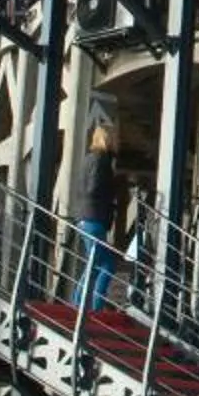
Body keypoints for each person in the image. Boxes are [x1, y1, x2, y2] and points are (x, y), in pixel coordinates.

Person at [76, 119, 120, 312]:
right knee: (107, 264)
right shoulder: (101, 160)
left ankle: (79, 303)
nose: (116, 141)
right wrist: (111, 195)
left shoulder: (89, 158)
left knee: (95, 264)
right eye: (113, 138)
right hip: (95, 218)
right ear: (106, 139)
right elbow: (95, 188)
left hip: (87, 218)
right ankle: (94, 307)